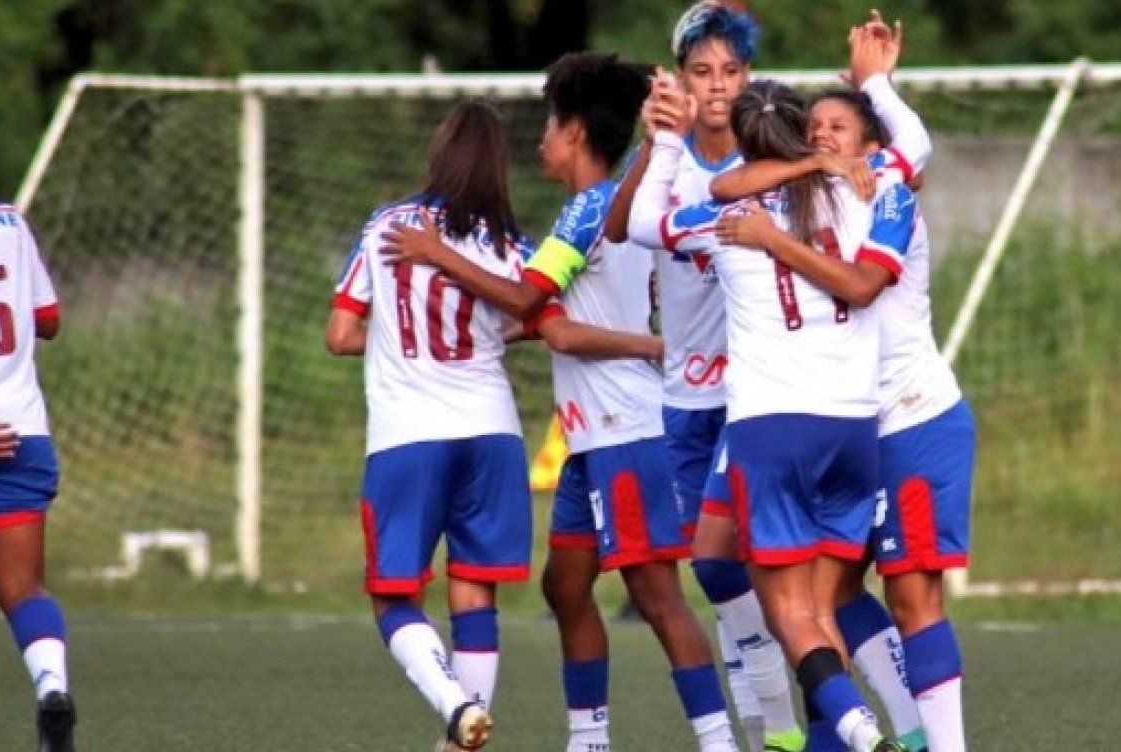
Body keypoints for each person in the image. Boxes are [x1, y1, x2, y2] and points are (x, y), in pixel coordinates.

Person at [383, 52, 738, 752]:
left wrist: (436, 253)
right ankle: (589, 739)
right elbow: (546, 319)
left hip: (627, 429)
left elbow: (529, 302)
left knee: (656, 596)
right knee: (566, 587)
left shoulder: (589, 209)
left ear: (574, 132)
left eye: (551, 124)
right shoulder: (609, 206)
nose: (543, 139)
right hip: (590, 439)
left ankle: (719, 741)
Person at [708, 25, 972, 751]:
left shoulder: (884, 191)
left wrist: (876, 82)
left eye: (839, 127)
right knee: (827, 600)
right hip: (853, 422)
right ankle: (883, 736)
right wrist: (805, 168)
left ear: (870, 145)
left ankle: (935, 743)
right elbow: (723, 185)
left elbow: (863, 276)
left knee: (912, 599)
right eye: (813, 125)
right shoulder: (806, 193)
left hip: (911, 416)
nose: (823, 134)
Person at [647, 78, 914, 752]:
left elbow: (647, 222)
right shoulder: (870, 189)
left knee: (788, 612)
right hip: (853, 425)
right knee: (822, 609)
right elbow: (912, 149)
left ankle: (861, 732)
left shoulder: (726, 218)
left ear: (741, 139)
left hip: (771, 426)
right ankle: (837, 742)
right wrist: (871, 94)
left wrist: (665, 143)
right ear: (803, 134)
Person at [605, 3, 804, 749]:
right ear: (681, 81)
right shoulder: (669, 161)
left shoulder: (769, 158)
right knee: (720, 581)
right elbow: (620, 227)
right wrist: (653, 141)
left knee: (745, 567)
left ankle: (791, 725)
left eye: (730, 70)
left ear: (749, 77)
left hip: (758, 394)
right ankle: (764, 730)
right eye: (701, 71)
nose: (717, 85)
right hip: (685, 396)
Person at [325, 99, 535, 752]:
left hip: (408, 434)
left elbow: (340, 334)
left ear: (438, 153)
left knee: (394, 598)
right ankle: (463, 738)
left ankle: (453, 706)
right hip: (492, 430)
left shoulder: (387, 225)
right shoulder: (510, 243)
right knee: (475, 595)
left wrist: (395, 339)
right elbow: (533, 315)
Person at [0, 199, 75, 752]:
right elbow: (48, 320)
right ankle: (52, 687)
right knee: (24, 590)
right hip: (18, 431)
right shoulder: (7, 219)